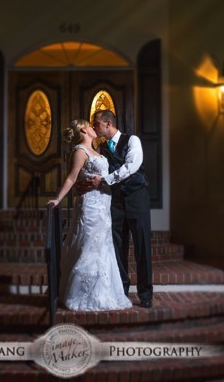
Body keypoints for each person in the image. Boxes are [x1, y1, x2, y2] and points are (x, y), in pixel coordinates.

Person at [47, 119, 132, 312]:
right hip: (91, 207)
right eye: (89, 125)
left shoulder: (96, 151)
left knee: (103, 248)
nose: (93, 127)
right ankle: (84, 293)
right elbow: (72, 177)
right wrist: (58, 199)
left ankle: (104, 292)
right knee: (88, 246)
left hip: (104, 205)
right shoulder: (80, 151)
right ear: (83, 130)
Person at [86, 110, 153, 308]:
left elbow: (132, 166)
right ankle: (122, 289)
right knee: (117, 247)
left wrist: (105, 180)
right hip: (115, 201)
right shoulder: (102, 149)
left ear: (108, 123)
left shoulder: (132, 141)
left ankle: (145, 293)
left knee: (142, 245)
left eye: (96, 123)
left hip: (137, 198)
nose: (95, 127)